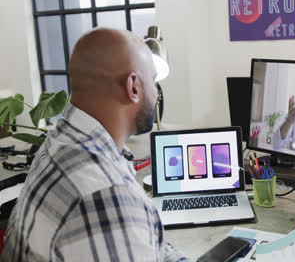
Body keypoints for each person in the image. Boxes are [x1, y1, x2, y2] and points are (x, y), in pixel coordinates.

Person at [1, 28, 189, 261]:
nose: (157, 94)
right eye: (152, 81)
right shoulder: (106, 196)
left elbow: (144, 245)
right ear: (133, 87)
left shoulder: (58, 144)